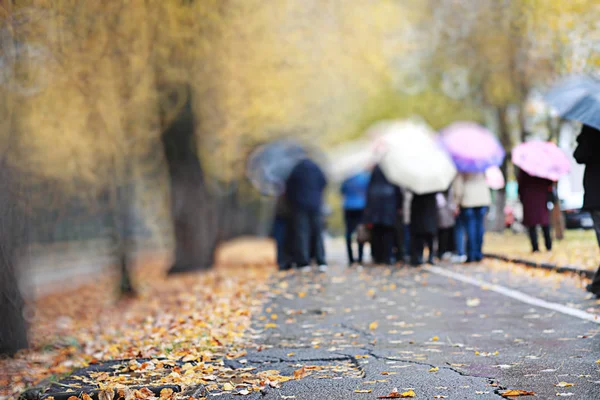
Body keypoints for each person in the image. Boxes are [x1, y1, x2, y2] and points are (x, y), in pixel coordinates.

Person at [285, 157, 328, 271]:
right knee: (318, 233)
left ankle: (303, 262)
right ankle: (321, 260)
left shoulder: (296, 169)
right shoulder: (316, 168)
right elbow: (324, 182)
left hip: (300, 206)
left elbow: (289, 188)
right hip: (316, 205)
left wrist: (294, 200)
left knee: (301, 234)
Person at [573, 124, 600, 297]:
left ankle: (597, 285)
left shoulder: (592, 127)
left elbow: (580, 155)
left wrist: (582, 137)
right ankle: (597, 285)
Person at [364, 165, 403, 265]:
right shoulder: (392, 178)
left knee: (377, 233)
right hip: (389, 207)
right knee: (388, 233)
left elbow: (367, 194)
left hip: (375, 208)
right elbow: (398, 193)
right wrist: (399, 206)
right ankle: (388, 256)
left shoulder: (373, 184)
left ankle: (378, 256)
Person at [453, 172, 491, 262]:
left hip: (468, 199)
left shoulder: (463, 164)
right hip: (483, 198)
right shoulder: (482, 163)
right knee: (479, 227)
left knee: (470, 227)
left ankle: (471, 254)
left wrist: (457, 201)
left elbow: (458, 186)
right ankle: (478, 253)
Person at [517, 169, 553, 252]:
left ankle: (535, 247)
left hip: (529, 197)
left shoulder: (525, 168)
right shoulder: (542, 167)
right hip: (541, 196)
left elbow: (520, 184)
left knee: (532, 224)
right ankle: (548, 246)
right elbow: (549, 182)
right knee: (544, 223)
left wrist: (522, 196)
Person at [340, 171, 370, 266]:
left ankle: (351, 258)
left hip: (348, 207)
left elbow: (342, 191)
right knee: (360, 232)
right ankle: (360, 258)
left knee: (348, 233)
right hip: (361, 206)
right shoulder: (365, 177)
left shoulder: (346, 178)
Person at [410, 192, 438, 266]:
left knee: (420, 235)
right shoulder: (433, 186)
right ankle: (430, 257)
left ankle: (419, 257)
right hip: (429, 209)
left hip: (420, 210)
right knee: (429, 235)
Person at [271, 194, 292, 270]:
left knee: (288, 240)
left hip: (291, 215)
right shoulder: (279, 187)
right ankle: (282, 262)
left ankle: (287, 261)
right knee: (280, 240)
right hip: (282, 215)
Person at [437, 188, 456, 260]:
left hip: (446, 211)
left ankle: (443, 251)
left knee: (444, 231)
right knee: (444, 231)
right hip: (444, 211)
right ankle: (442, 251)